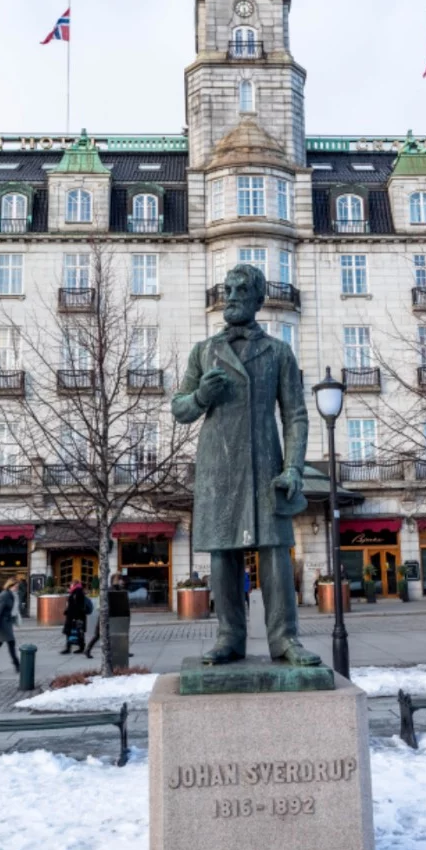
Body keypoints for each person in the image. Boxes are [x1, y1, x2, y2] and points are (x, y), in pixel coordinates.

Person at [172, 264, 319, 667]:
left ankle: (285, 639)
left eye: (242, 290)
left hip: (266, 465)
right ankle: (229, 637)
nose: (232, 296)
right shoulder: (204, 351)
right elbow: (179, 409)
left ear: (257, 299)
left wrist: (293, 468)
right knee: (223, 554)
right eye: (228, 289)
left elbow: (295, 415)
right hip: (218, 467)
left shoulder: (277, 352)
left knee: (275, 552)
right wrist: (201, 396)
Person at [61, 582, 88, 655]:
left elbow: (75, 606)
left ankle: (71, 648)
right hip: (77, 616)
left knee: (73, 632)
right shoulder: (77, 592)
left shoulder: (77, 593)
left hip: (75, 616)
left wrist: (71, 615)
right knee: (78, 632)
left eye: (71, 585)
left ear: (74, 585)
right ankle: (78, 647)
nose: (70, 586)